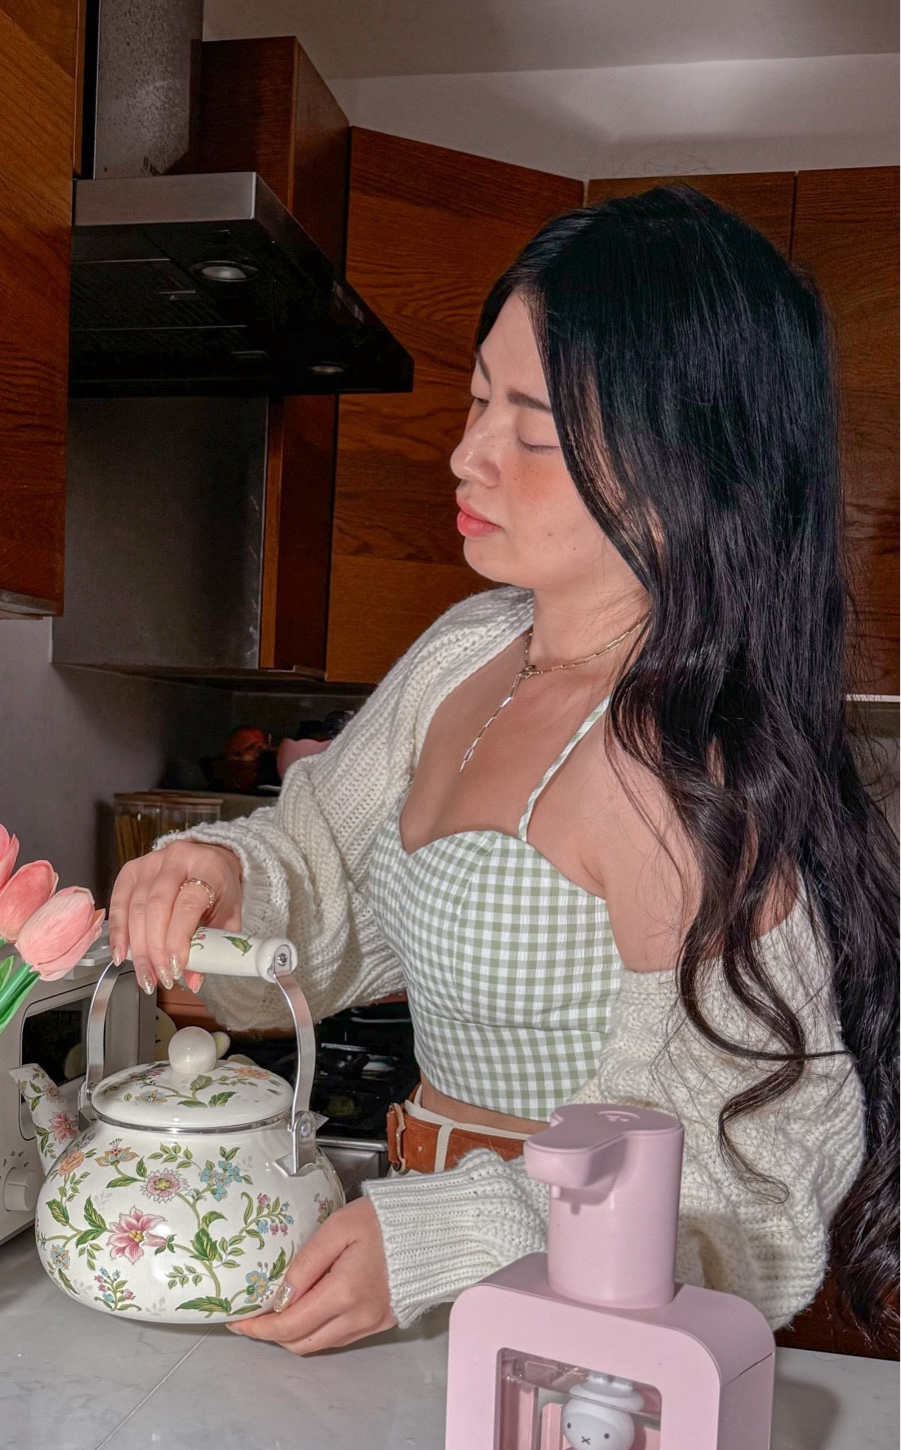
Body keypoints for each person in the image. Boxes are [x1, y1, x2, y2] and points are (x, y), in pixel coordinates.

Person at [108, 186, 898, 1358]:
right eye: (478, 401)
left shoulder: (692, 767)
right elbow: (323, 867)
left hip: (577, 1344)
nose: (465, 454)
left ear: (688, 460)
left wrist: (451, 1235)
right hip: (396, 1271)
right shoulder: (468, 650)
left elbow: (740, 1195)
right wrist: (227, 874)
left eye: (530, 428)